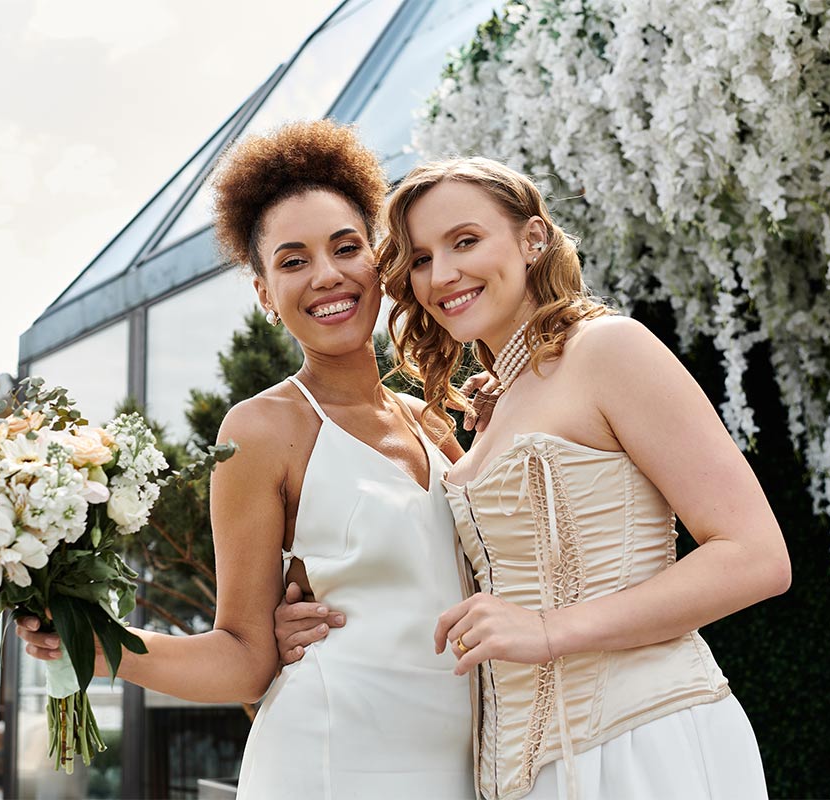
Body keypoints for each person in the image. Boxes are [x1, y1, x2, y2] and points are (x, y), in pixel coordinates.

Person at [281, 156, 791, 800]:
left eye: (465, 241)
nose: (444, 274)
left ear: (533, 238)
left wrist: (549, 632)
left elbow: (756, 557)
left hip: (644, 745)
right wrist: (305, 616)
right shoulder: (495, 405)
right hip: (529, 775)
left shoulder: (609, 349)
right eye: (420, 258)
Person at [16, 120, 475, 799]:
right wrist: (101, 644)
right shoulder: (262, 430)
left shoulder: (439, 421)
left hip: (460, 760)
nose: (326, 275)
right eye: (292, 261)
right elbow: (243, 658)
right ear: (264, 293)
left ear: (380, 260)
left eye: (346, 247)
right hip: (330, 758)